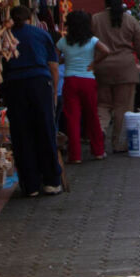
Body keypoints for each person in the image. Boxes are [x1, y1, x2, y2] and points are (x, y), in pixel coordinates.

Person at [0, 5, 63, 196]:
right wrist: (53, 93)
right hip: (39, 83)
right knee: (45, 129)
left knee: (21, 133)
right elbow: (53, 66)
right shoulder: (41, 34)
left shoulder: (6, 36)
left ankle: (31, 184)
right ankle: (52, 181)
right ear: (29, 18)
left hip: (15, 85)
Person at [91, 0, 140, 154]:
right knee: (122, 107)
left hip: (101, 67)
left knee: (102, 104)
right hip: (126, 69)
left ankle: (101, 130)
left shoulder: (95, 20)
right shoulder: (130, 21)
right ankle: (118, 142)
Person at [56, 9, 109, 163]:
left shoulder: (63, 41)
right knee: (92, 115)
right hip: (87, 79)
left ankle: (75, 156)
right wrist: (94, 63)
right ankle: (98, 151)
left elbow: (56, 58)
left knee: (72, 118)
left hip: (70, 80)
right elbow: (106, 51)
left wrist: (66, 61)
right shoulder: (92, 40)